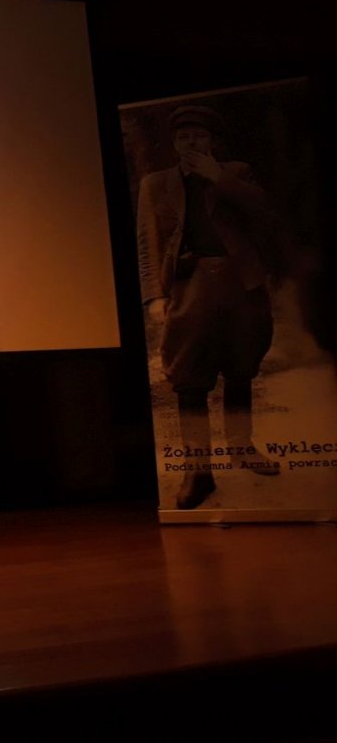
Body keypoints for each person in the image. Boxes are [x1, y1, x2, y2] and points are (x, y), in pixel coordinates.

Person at [137, 104, 278, 510]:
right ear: (174, 144)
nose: (191, 143)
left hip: (240, 282)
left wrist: (218, 177)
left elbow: (264, 214)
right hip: (188, 285)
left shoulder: (237, 173)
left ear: (213, 141)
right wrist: (155, 296)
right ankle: (198, 473)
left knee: (241, 365)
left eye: (199, 136)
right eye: (183, 137)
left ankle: (241, 447)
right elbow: (148, 243)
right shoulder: (156, 184)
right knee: (189, 377)